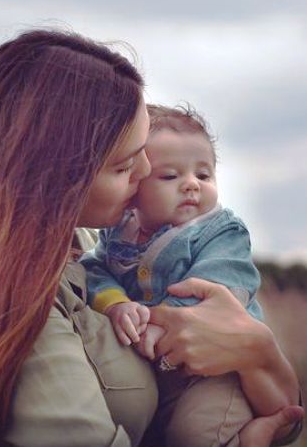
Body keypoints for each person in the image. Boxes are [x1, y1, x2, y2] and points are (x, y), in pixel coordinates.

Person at [0, 29, 302, 447]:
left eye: (144, 153)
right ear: (58, 176)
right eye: (124, 166)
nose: (146, 172)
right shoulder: (15, 300)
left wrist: (261, 354)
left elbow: (278, 411)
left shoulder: (90, 245)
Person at [81, 104, 264, 446]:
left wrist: (160, 324)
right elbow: (94, 270)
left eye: (204, 175)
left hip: (216, 372)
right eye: (170, 176)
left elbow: (219, 288)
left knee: (194, 434)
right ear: (134, 187)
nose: (191, 185)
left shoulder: (221, 231)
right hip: (159, 372)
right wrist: (116, 304)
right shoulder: (119, 232)